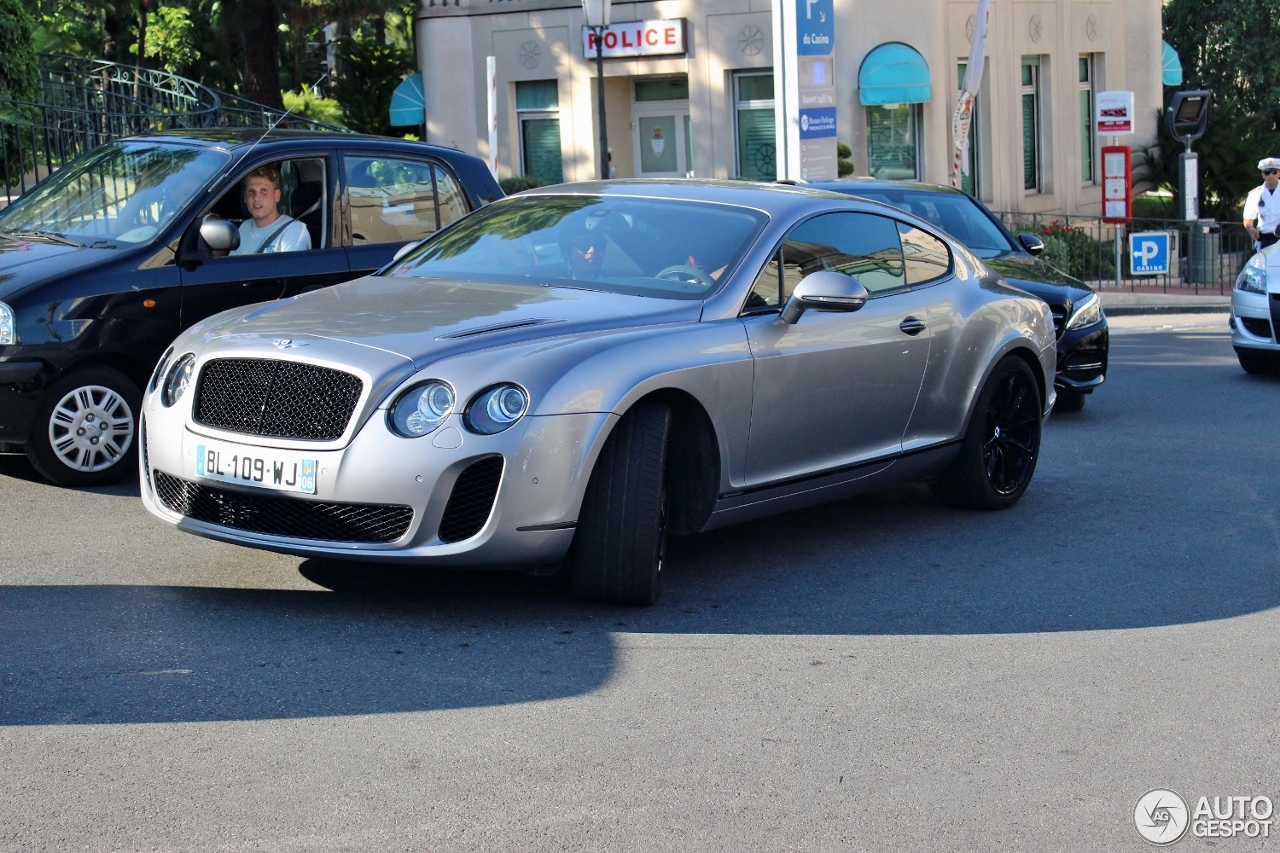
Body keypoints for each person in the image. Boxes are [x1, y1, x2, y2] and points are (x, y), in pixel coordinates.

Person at [230, 164, 311, 256]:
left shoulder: (295, 231)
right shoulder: (244, 228)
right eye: (251, 192)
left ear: (277, 196)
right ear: (245, 197)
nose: (256, 198)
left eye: (263, 191)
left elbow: (293, 269)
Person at [1243, 157, 1280, 251]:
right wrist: (1250, 229)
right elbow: (1248, 219)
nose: (1270, 175)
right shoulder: (1255, 194)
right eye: (1267, 172)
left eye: (1274, 172)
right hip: (1264, 240)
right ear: (1263, 175)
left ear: (1279, 173)